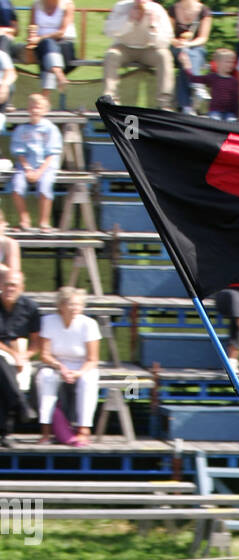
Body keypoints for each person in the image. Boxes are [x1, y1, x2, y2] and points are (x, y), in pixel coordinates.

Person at [37, 285, 101, 444]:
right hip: (55, 364)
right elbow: (44, 355)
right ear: (61, 305)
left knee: (88, 380)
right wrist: (60, 367)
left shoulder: (89, 324)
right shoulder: (48, 321)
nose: (75, 308)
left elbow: (93, 359)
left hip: (83, 366)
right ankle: (45, 431)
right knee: (46, 378)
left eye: (78, 304)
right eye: (71, 304)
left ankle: (83, 429)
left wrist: (78, 373)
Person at [102, 0, 174, 111]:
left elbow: (164, 42)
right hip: (124, 47)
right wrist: (129, 20)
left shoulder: (157, 10)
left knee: (164, 56)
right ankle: (111, 101)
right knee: (112, 55)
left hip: (148, 49)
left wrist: (152, 25)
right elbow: (109, 31)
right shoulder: (121, 7)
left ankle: (164, 103)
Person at [8, 93, 62, 233]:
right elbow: (19, 152)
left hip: (46, 167)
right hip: (26, 166)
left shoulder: (51, 129)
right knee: (16, 186)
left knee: (45, 186)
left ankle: (44, 222)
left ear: (44, 110)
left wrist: (39, 171)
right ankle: (24, 220)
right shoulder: (21, 129)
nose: (35, 110)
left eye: (38, 107)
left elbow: (52, 154)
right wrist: (27, 168)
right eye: (32, 107)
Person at [0, 270, 39, 445]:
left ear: (21, 287)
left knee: (5, 378)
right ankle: (21, 404)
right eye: (7, 284)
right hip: (4, 351)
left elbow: (36, 343)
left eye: (14, 285)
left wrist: (24, 356)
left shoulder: (30, 308)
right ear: (1, 286)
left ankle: (4, 433)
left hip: (21, 353)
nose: (10, 288)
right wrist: (13, 353)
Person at [169, 0, 211, 113]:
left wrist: (188, 44)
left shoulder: (203, 10)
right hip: (176, 48)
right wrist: (178, 43)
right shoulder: (173, 10)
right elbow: (169, 35)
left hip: (195, 48)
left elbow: (203, 38)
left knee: (189, 57)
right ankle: (197, 85)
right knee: (185, 54)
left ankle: (185, 106)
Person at [27, 0, 76, 93]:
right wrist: (32, 37)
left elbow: (61, 33)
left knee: (47, 49)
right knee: (47, 46)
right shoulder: (36, 5)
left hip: (64, 45)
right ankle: (58, 74)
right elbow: (32, 28)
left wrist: (40, 38)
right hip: (42, 46)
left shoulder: (67, 5)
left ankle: (45, 97)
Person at [199, 46, 239, 119]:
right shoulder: (212, 77)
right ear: (218, 63)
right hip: (215, 110)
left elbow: (235, 100)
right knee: (215, 119)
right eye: (228, 62)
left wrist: (236, 114)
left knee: (231, 121)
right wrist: (187, 67)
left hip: (230, 112)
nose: (231, 64)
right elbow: (196, 79)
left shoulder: (234, 81)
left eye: (232, 62)